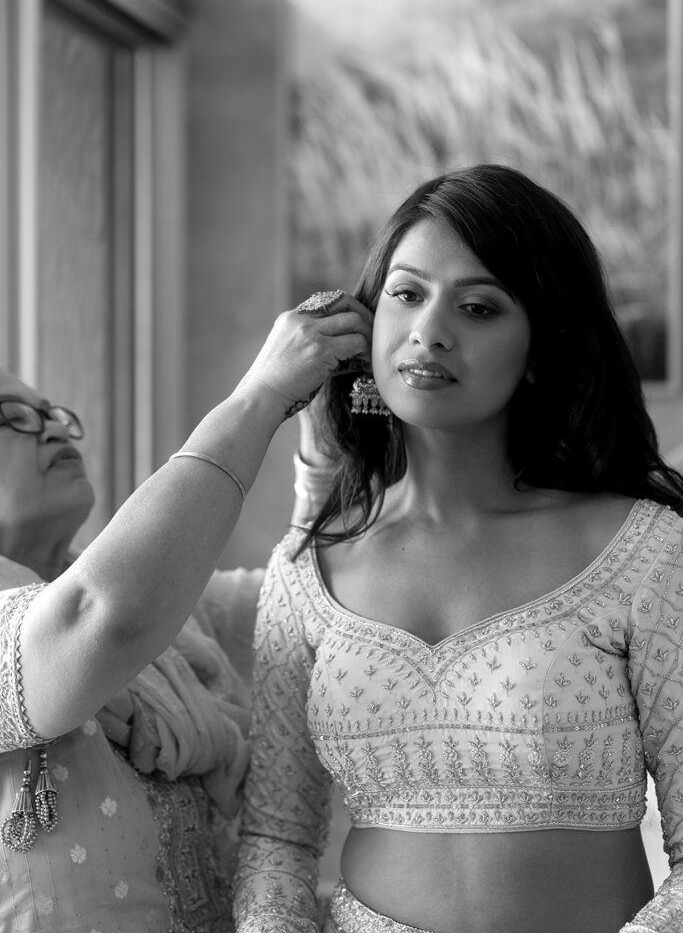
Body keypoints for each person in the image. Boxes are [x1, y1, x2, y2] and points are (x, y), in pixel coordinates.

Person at [233, 164, 683, 933]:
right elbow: (275, 841)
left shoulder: (643, 551)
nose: (429, 331)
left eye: (477, 307)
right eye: (406, 294)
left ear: (542, 346)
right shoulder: (309, 569)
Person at [0, 294, 371, 933]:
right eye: (12, 415)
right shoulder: (116, 613)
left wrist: (324, 442)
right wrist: (259, 397)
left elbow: (320, 598)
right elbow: (101, 617)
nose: (54, 425)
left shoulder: (180, 617)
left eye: (51, 411)